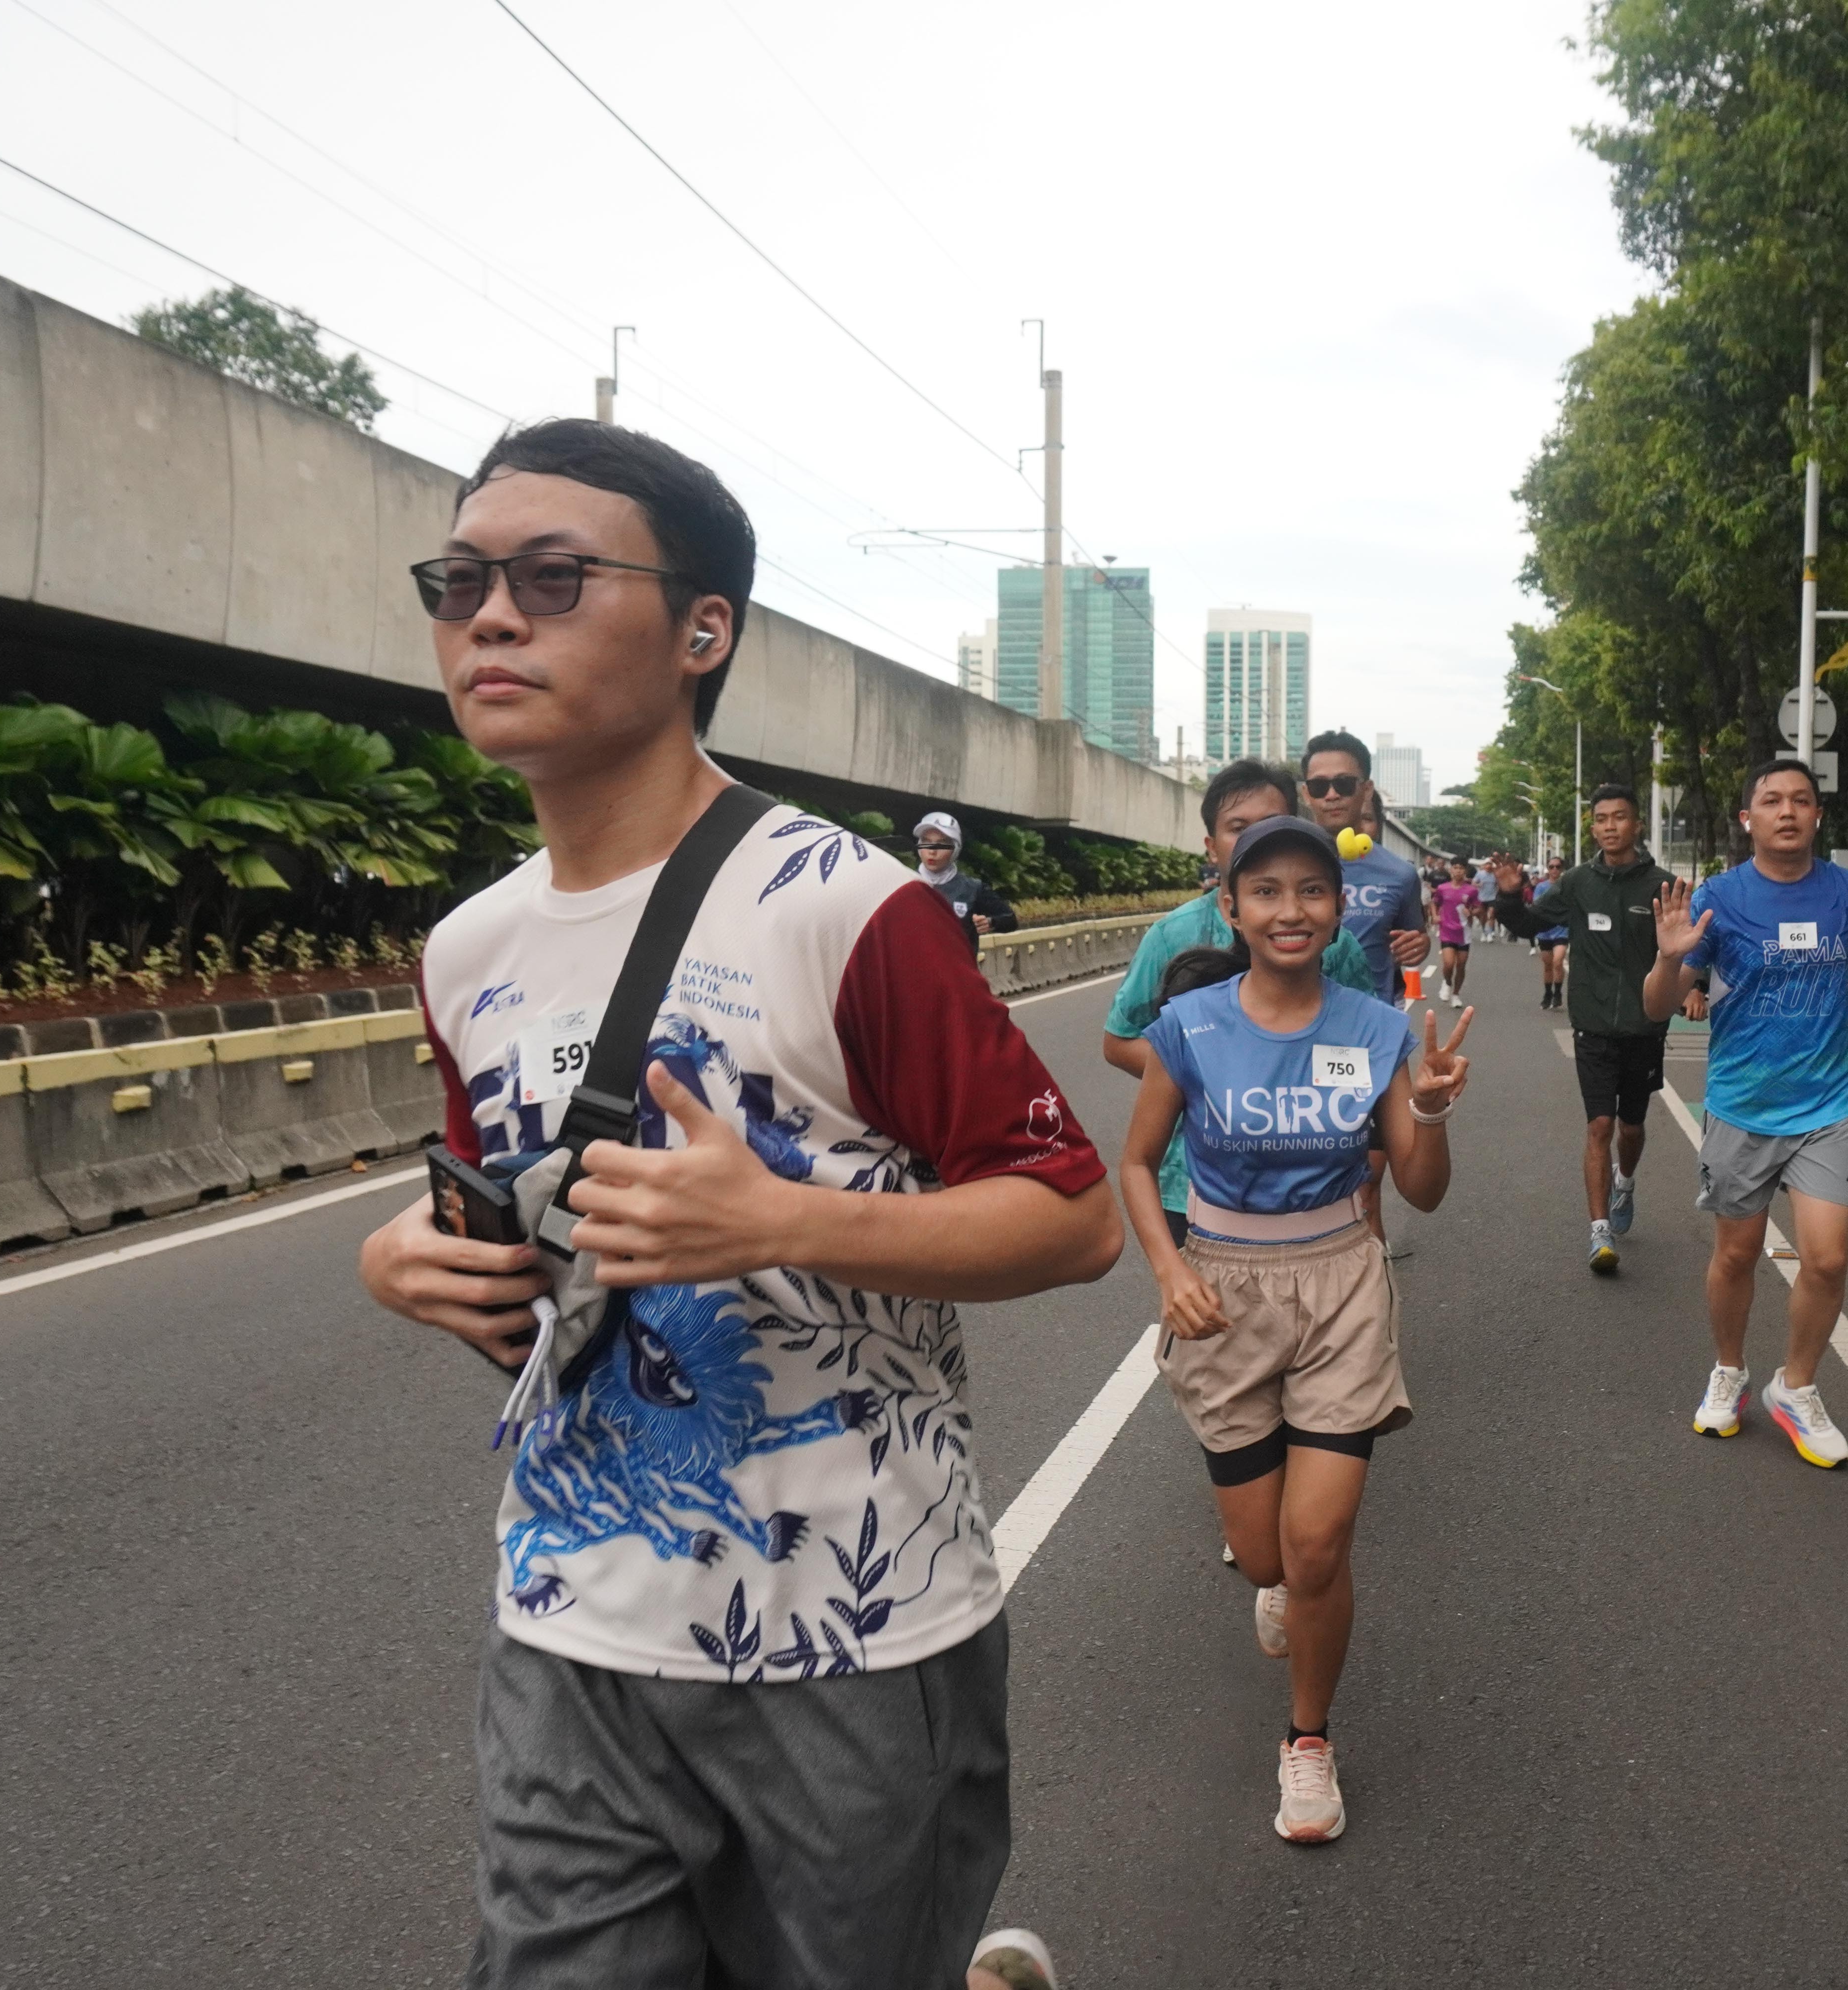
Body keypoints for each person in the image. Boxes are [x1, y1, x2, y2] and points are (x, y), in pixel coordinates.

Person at [353, 419, 1122, 1990]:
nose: (489, 617)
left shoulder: (848, 906)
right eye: (459, 580)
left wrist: (776, 1221)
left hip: (850, 1634)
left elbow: (1070, 1216)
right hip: (571, 1617)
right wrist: (409, 1257)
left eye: (552, 578)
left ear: (703, 630)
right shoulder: (467, 950)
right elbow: (520, 1213)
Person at [1116, 813, 1472, 1845]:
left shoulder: (1376, 1027)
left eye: (1311, 890)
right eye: (1265, 890)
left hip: (1340, 1284)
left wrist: (1431, 1112)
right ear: (1231, 907)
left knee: (1318, 1546)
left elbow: (1422, 1191)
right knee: (1263, 1553)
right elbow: (1135, 1162)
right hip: (1223, 1290)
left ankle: (1308, 1738)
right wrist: (1170, 1268)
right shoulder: (1189, 1026)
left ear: (1338, 906)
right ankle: (1278, 1586)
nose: (1291, 909)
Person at [1644, 758, 1848, 1466]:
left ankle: (1795, 1386)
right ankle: (1729, 1370)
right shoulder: (1720, 897)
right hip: (1743, 1102)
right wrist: (1671, 961)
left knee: (1827, 1258)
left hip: (1829, 1103)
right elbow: (1657, 1005)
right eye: (1771, 800)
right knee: (1737, 1253)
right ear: (1748, 818)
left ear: (1818, 814)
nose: (1787, 811)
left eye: (1801, 799)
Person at [1103, 761, 1388, 1248]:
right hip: (1192, 1186)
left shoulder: (1332, 944)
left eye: (1271, 824)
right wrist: (1208, 1077)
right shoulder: (1172, 936)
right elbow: (1119, 1041)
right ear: (1212, 847)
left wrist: (1300, 1087)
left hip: (1312, 1187)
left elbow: (1362, 1056)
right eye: (1239, 828)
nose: (1256, 838)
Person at [1487, 786, 1673, 1275]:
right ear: (1593, 828)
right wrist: (1509, 894)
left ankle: (1625, 1181)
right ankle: (1599, 1231)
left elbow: (1683, 947)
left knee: (1631, 1127)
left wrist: (1692, 988)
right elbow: (1529, 923)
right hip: (1592, 1024)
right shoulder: (1576, 883)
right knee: (1599, 1125)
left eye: (1620, 817)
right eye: (1602, 819)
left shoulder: (1662, 885)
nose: (1610, 826)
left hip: (1645, 1026)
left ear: (1637, 825)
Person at [1302, 732, 1431, 1256]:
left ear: (1366, 789)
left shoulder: (1398, 874)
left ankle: (1369, 1294)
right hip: (1287, 1040)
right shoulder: (1282, 862)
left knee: (1365, 1185)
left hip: (1361, 1046)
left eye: (1343, 783)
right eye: (1319, 785)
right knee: (1302, 1186)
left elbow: (1414, 945)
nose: (1331, 794)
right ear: (1306, 793)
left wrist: (1419, 946)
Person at [911, 810, 1018, 959]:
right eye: (926, 842)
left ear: (955, 849)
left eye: (942, 844)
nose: (932, 851)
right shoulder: (905, 883)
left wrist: (991, 922)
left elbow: (1010, 920)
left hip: (958, 971)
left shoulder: (973, 888)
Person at [1432, 859, 1479, 1006]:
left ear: (1465, 871)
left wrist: (1471, 912)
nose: (1458, 871)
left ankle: (1456, 995)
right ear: (1451, 870)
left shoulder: (1471, 890)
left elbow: (1479, 908)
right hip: (1447, 930)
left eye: (1461, 868)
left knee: (1461, 965)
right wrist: (1435, 916)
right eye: (1455, 868)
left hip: (1464, 933)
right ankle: (1447, 982)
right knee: (1449, 964)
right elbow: (1435, 903)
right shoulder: (1443, 888)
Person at [1532, 856, 1571, 1006]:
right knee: (1548, 965)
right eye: (1551, 867)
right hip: (1545, 931)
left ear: (1562, 869)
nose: (1554, 870)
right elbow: (1537, 906)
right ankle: (1548, 993)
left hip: (1562, 930)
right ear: (1548, 869)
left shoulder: (1567, 887)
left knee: (1558, 961)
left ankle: (1558, 992)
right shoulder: (1541, 887)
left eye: (1558, 867)